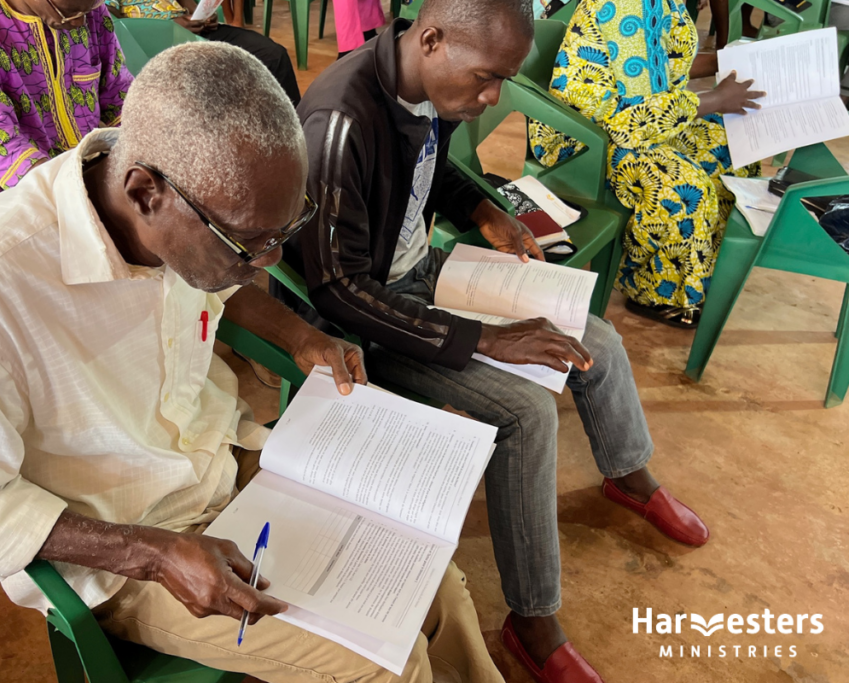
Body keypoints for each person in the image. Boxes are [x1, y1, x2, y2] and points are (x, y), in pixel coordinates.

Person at [0, 42, 503, 683]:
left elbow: (222, 282)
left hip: (222, 476)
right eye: (249, 243)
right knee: (382, 665)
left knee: (436, 581)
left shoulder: (191, 217)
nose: (266, 264)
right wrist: (152, 554)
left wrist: (299, 337)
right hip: (122, 545)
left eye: (282, 234)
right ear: (146, 193)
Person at [283, 0, 711, 681]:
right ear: (431, 40)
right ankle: (532, 620)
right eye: (487, 78)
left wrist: (486, 212)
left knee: (590, 335)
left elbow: (430, 171)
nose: (491, 99)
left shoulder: (426, 86)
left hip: (419, 269)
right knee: (526, 412)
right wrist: (486, 338)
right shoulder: (341, 120)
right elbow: (336, 289)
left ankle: (630, 475)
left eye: (503, 80)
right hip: (372, 312)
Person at [528, 0, 763, 328]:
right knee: (684, 186)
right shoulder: (625, 6)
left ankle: (697, 266)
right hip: (590, 136)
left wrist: (728, 64)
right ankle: (655, 287)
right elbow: (633, 118)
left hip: (638, 120)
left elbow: (661, 65)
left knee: (729, 151)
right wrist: (715, 100)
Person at [0, 0, 132, 196]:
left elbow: (119, 94)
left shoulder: (90, 10)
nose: (80, 24)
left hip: (94, 163)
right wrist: (72, 194)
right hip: (25, 184)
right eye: (69, 13)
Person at [104, 0, 301, 104]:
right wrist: (165, 26)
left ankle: (297, 141)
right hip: (154, 40)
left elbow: (186, 3)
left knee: (273, 56)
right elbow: (115, 21)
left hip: (193, 30)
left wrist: (202, 14)